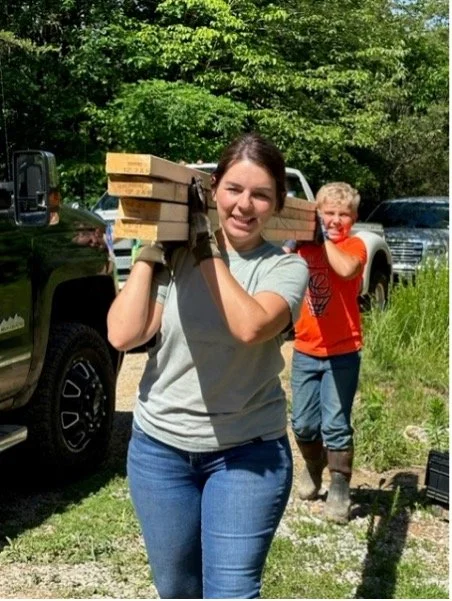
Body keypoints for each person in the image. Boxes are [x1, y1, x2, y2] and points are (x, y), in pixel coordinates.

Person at [107, 132, 309, 599]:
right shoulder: (176, 256)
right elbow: (123, 334)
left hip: (247, 455)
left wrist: (205, 248)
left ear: (277, 204)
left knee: (232, 591)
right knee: (177, 588)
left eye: (261, 194)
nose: (244, 205)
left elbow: (250, 326)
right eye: (234, 189)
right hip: (160, 451)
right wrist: (150, 250)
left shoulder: (284, 268)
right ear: (213, 190)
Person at [285, 182, 367, 525]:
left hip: (342, 352)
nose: (335, 220)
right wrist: (292, 245)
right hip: (305, 349)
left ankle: (340, 487)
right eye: (328, 213)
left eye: (343, 214)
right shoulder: (303, 250)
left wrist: (323, 240)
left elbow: (346, 270)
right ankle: (313, 464)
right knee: (303, 424)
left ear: (353, 218)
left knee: (335, 423)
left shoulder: (354, 246)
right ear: (317, 214)